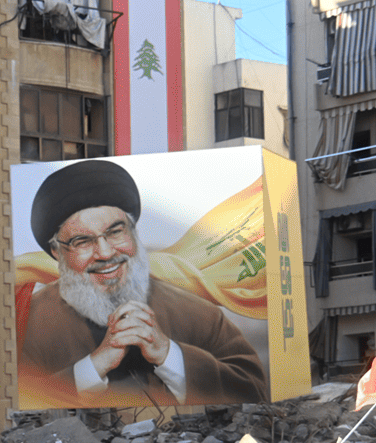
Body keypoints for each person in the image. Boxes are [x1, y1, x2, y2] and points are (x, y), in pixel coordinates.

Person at [21, 158, 269, 405]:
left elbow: (254, 390)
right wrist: (95, 366)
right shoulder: (28, 323)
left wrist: (168, 354)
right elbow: (13, 402)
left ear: (133, 234)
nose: (106, 253)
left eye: (116, 232)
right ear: (56, 252)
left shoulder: (198, 313)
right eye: (83, 242)